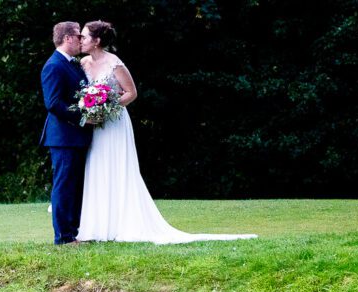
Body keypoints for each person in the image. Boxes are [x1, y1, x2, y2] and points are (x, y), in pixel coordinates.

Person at [75, 21, 256, 244]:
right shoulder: (83, 63)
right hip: (96, 125)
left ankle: (122, 224)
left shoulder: (115, 64)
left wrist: (108, 107)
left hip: (113, 122)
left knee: (117, 167)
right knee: (97, 166)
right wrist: (91, 109)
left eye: (84, 36)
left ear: (97, 41)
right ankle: (98, 226)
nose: (80, 40)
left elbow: (131, 93)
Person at [40, 22, 93, 245]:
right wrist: (82, 117)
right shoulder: (53, 66)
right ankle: (63, 237)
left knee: (76, 186)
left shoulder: (73, 64)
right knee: (64, 185)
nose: (82, 39)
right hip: (63, 137)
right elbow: (53, 104)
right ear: (68, 38)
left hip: (77, 137)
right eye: (79, 35)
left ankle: (72, 233)